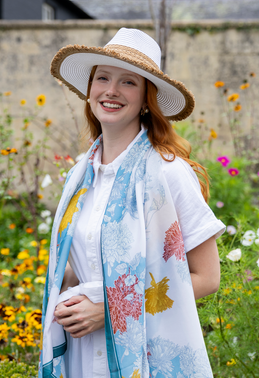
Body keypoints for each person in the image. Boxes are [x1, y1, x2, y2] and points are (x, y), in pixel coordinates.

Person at [39, 28, 225, 378]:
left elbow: (207, 277)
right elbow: (88, 264)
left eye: (128, 82)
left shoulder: (168, 173)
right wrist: (64, 287)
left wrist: (110, 310)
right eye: (103, 78)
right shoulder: (80, 175)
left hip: (147, 355)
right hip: (82, 354)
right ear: (90, 90)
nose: (111, 90)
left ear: (145, 100)